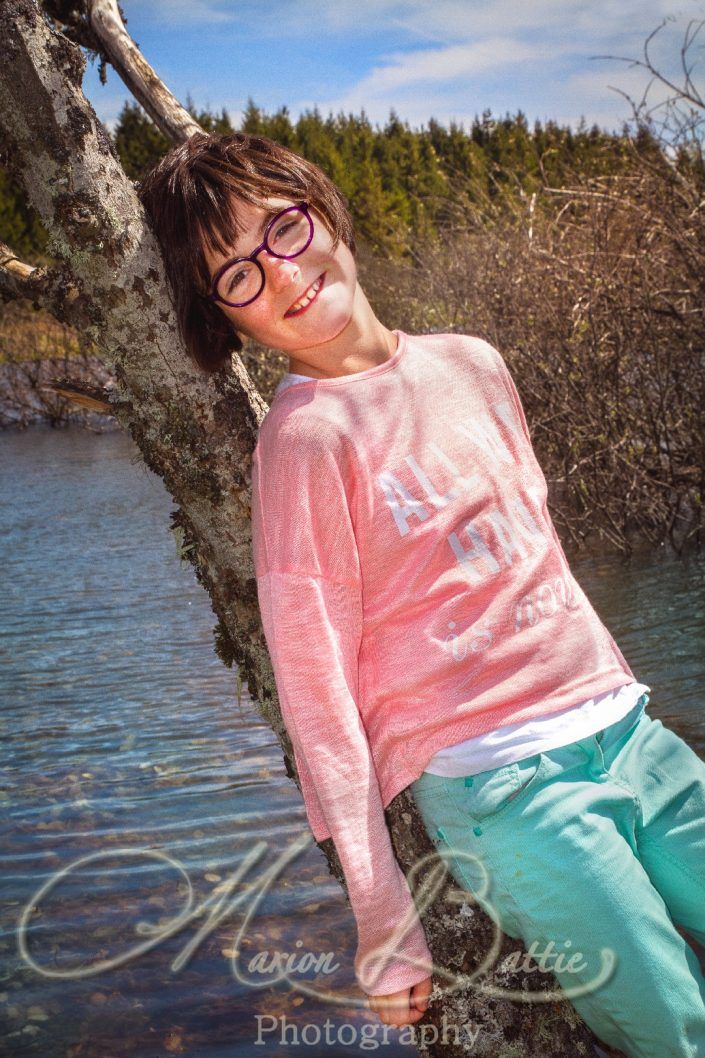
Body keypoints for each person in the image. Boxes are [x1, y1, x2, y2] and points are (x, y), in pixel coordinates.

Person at [138, 131, 705, 1057]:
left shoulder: (473, 362)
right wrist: (383, 916)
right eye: (235, 276)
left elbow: (537, 552)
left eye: (281, 230)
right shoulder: (305, 443)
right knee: (674, 1027)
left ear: (320, 210)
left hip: (631, 734)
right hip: (509, 795)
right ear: (224, 320)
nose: (280, 276)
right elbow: (315, 696)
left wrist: (621, 695)